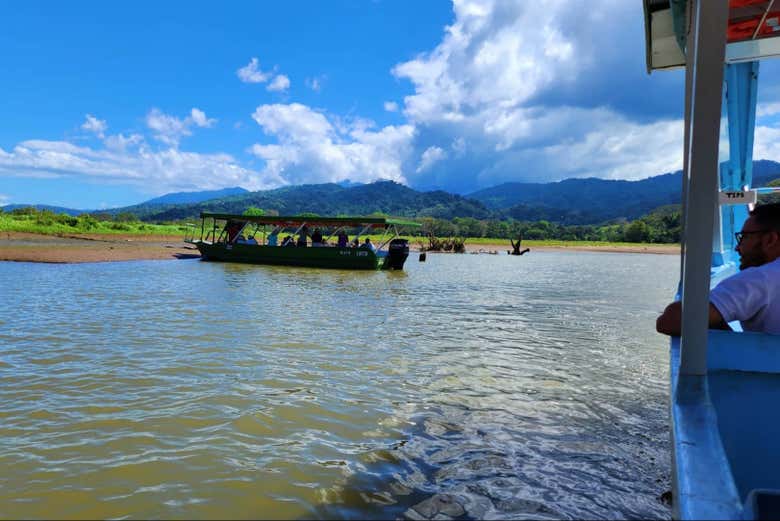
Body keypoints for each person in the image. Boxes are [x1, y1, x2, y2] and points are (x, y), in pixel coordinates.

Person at [656, 202, 780, 335]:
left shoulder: (761, 278)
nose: (737, 248)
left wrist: (718, 322)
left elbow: (669, 321)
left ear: (770, 240)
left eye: (744, 237)